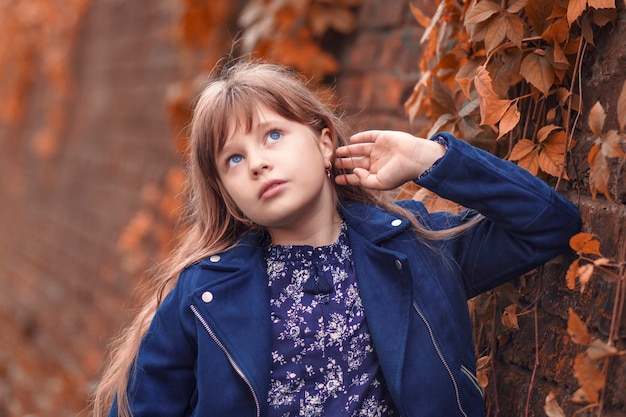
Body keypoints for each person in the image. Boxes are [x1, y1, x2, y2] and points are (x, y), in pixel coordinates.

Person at [92, 60, 581, 417]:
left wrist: (433, 159)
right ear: (228, 194)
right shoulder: (202, 296)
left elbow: (547, 224)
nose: (258, 162)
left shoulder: (417, 248)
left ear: (325, 141)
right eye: (233, 160)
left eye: (272, 135)